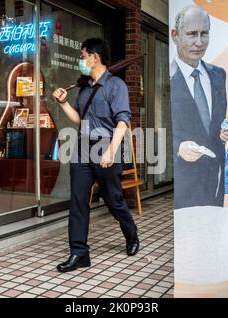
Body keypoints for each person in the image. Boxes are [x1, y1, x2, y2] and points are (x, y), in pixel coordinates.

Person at [52, 38, 139, 273]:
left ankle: (131, 232)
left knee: (113, 200)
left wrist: (111, 150)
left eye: (82, 56)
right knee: (78, 201)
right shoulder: (84, 88)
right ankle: (79, 253)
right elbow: (81, 120)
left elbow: (122, 121)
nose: (81, 61)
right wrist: (63, 104)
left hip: (105, 147)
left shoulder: (116, 85)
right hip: (82, 148)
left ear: (94, 57)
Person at [170, 5, 228, 209]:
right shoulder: (166, 78)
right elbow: (156, 129)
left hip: (215, 184)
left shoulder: (218, 75)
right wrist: (178, 149)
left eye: (204, 34)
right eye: (191, 34)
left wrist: (225, 131)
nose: (199, 42)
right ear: (175, 35)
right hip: (183, 187)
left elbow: (213, 126)